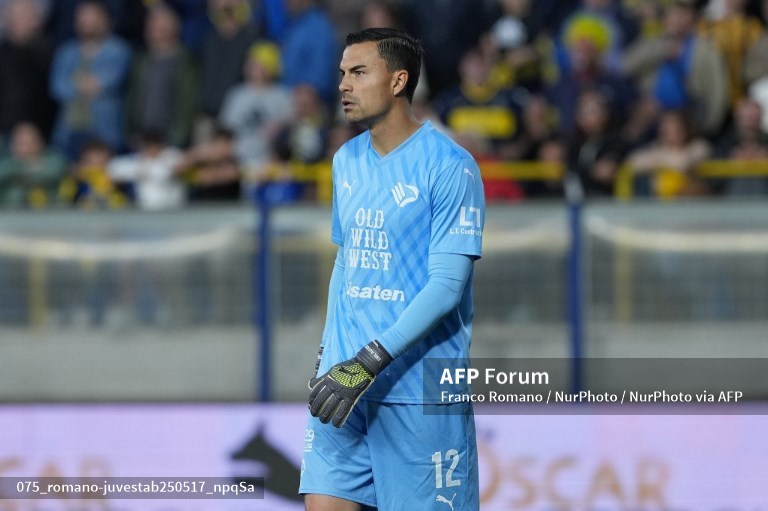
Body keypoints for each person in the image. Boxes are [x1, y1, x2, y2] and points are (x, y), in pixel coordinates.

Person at [300, 28, 484, 511]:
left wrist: (370, 360)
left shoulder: (449, 165)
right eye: (342, 73)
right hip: (343, 387)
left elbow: (447, 286)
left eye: (359, 72)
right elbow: (348, 259)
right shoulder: (345, 161)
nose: (344, 84)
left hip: (416, 389)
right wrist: (329, 355)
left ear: (399, 80)